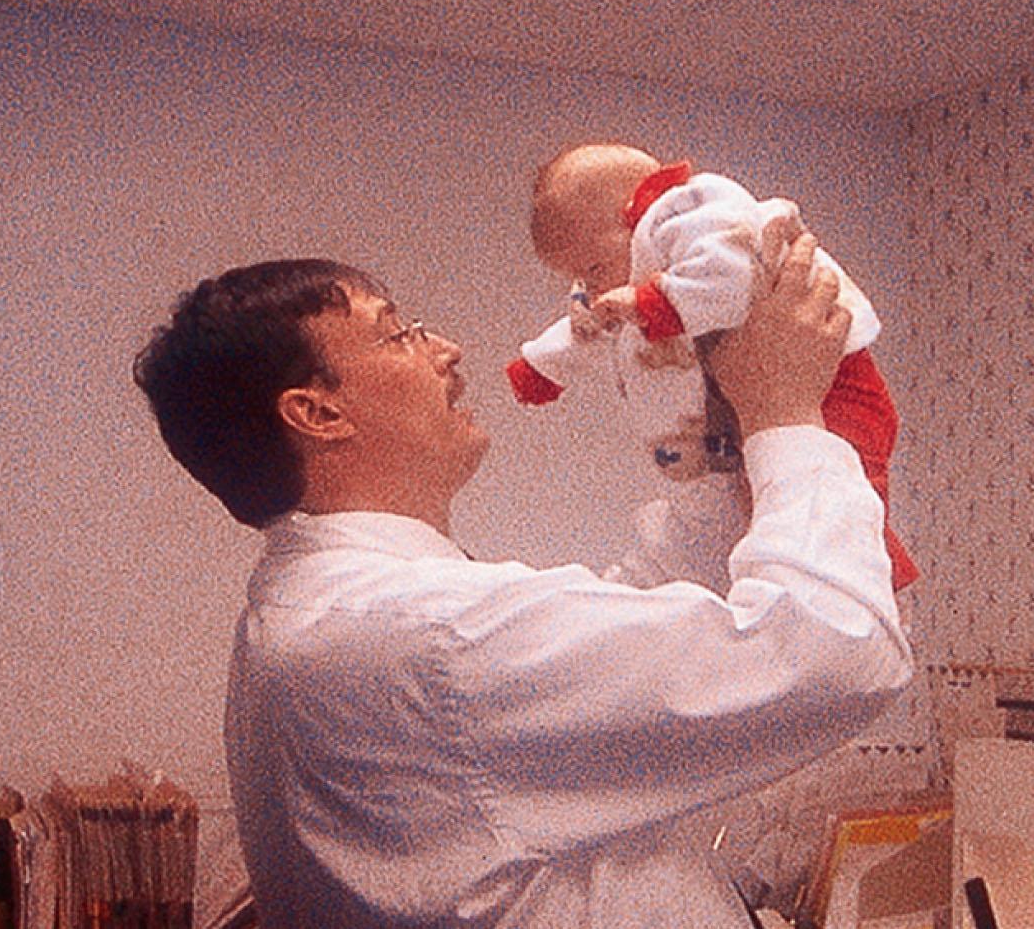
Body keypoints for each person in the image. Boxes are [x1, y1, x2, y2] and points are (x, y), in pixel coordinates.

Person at [132, 234, 913, 927]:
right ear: (318, 413)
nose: (447, 348)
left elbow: (640, 620)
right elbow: (833, 650)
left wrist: (729, 448)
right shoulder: (422, 631)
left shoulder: (332, 612)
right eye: (398, 333)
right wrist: (784, 411)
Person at [508, 142, 918, 591]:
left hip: (835, 383)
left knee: (842, 492)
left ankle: (874, 577)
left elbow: (729, 275)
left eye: (594, 266)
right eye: (579, 276)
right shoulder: (625, 275)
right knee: (754, 509)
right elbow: (589, 326)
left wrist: (651, 303)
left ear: (639, 205)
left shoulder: (698, 210)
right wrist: (541, 367)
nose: (590, 285)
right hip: (741, 415)